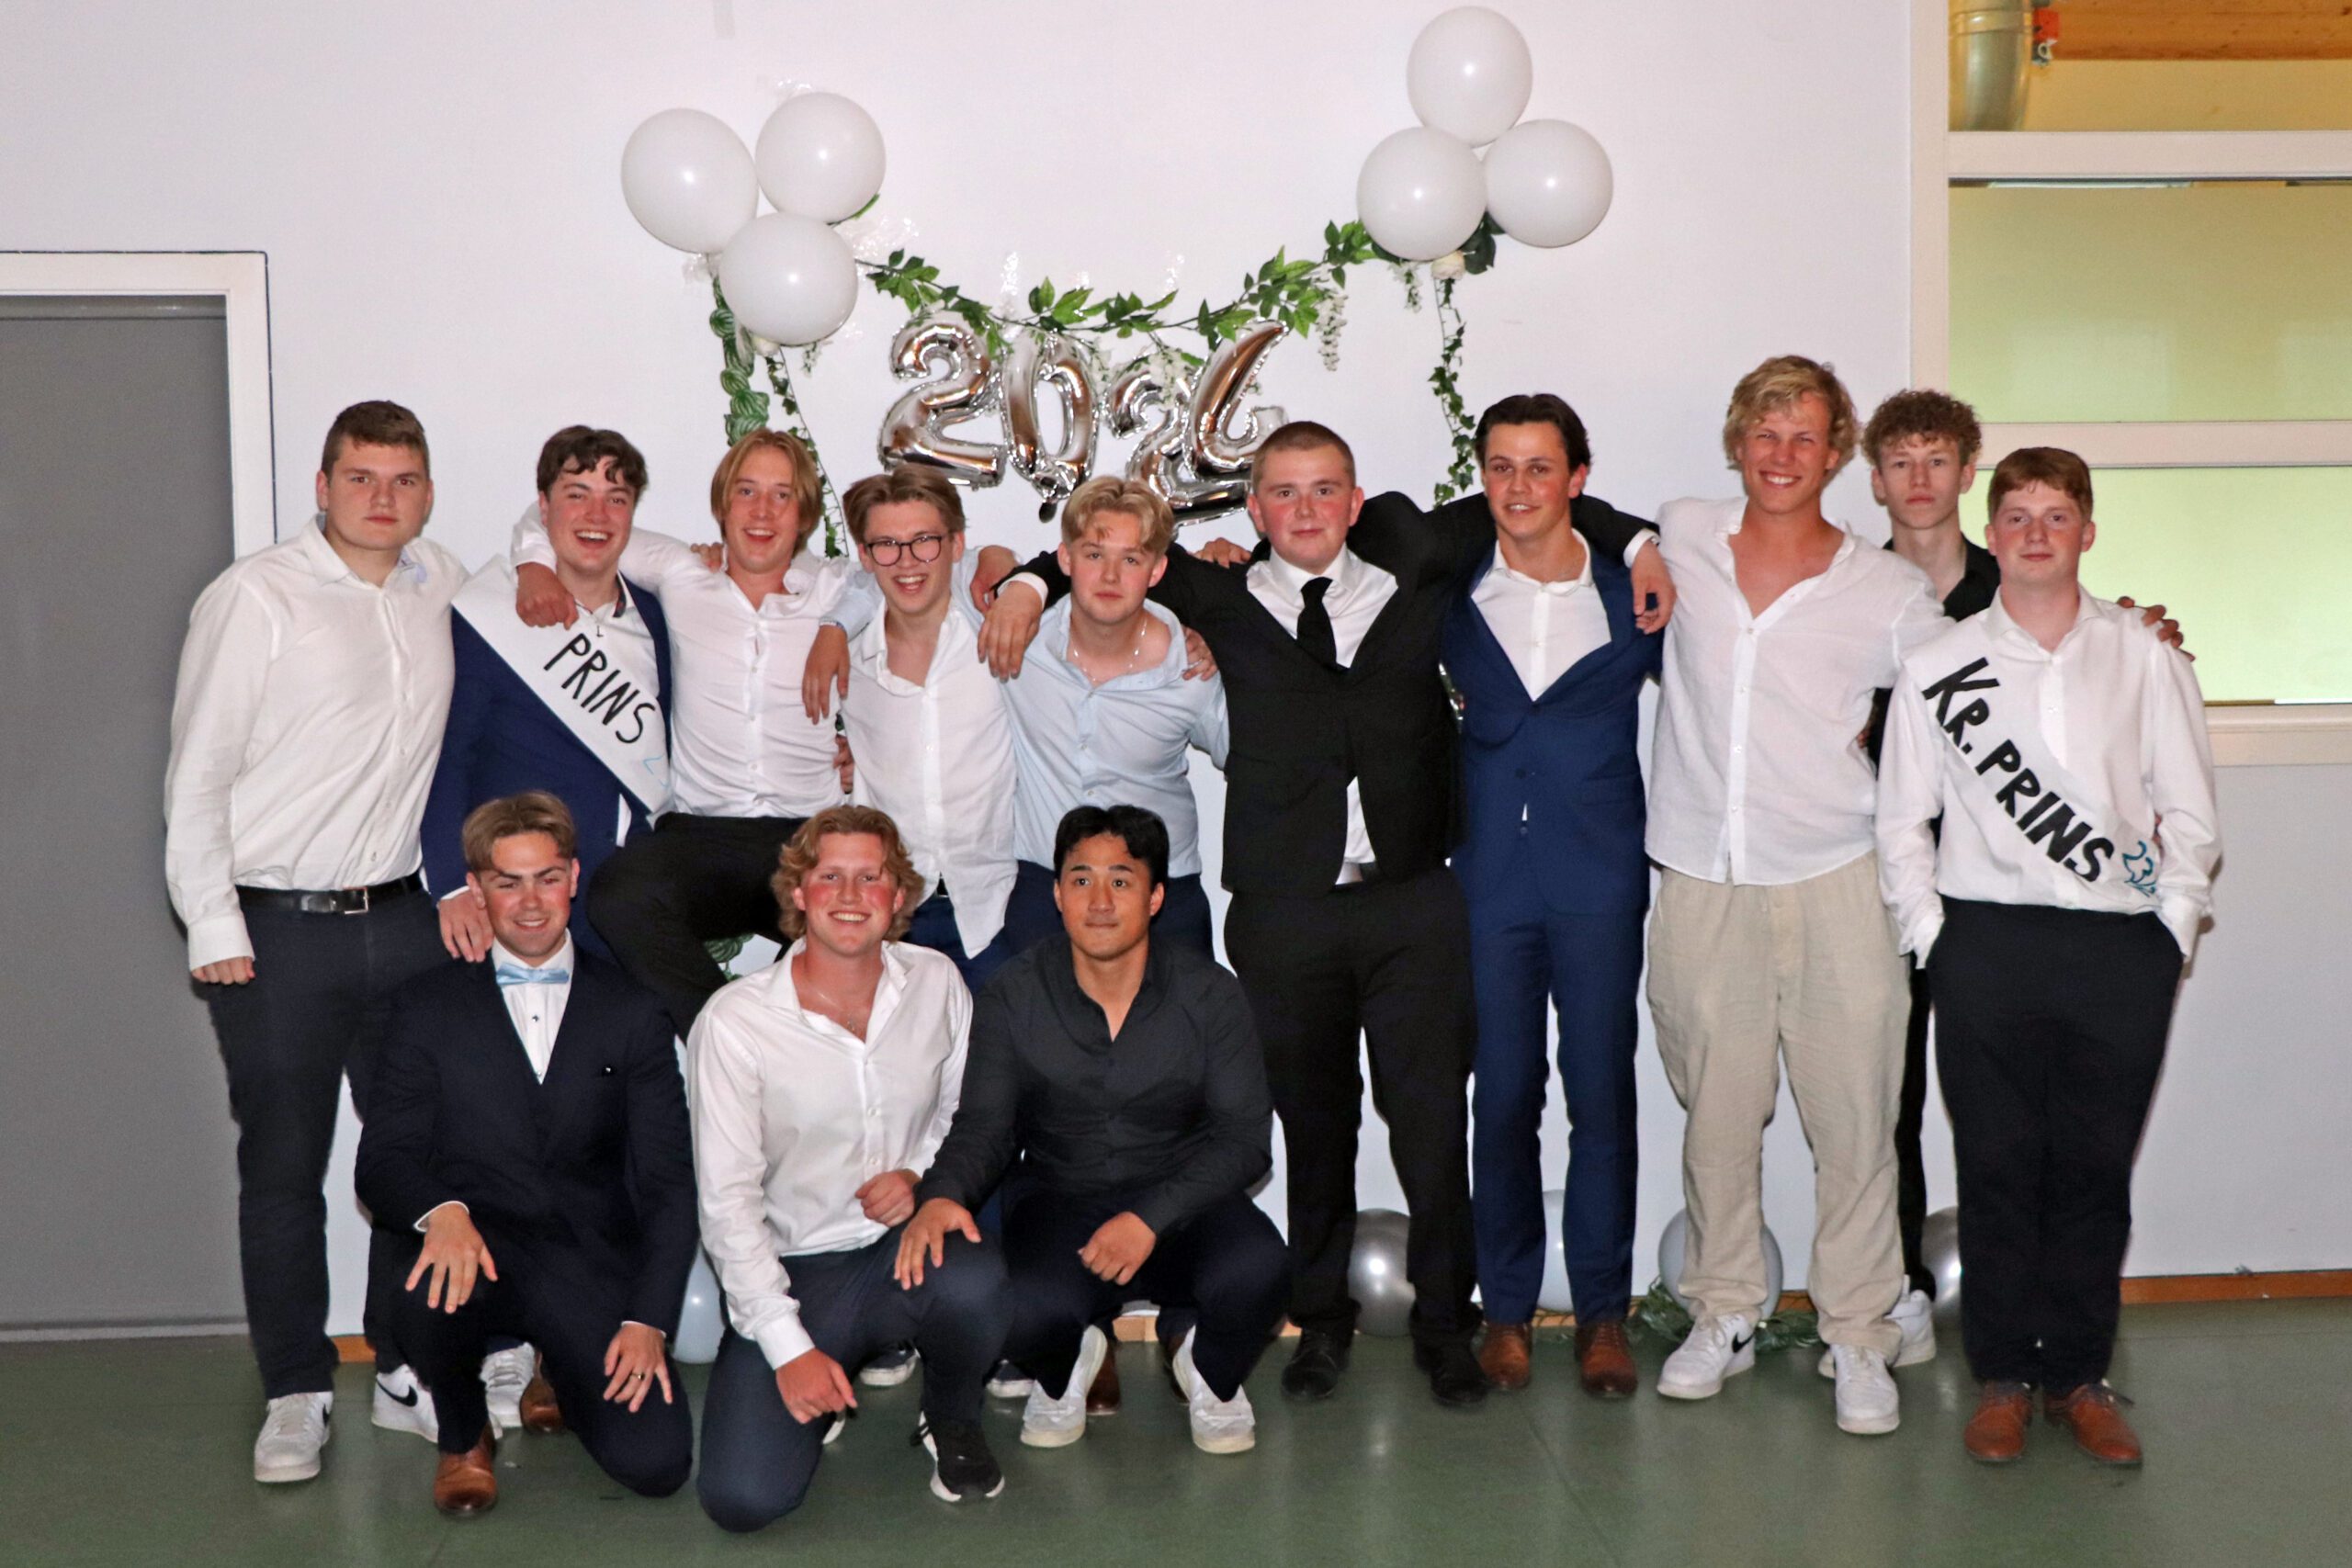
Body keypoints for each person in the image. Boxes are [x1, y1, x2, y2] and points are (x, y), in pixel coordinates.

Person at [984, 422, 1668, 1407]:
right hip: (1283, 911)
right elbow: (1102, 557)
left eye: (1323, 490)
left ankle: (1447, 1326)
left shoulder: (1415, 567)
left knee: (1430, 1127)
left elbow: (1541, 497)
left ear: (1355, 502)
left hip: (1412, 903)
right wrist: (1021, 581)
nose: (1304, 509)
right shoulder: (1214, 597)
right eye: (1283, 492)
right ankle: (1320, 1324)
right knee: (1312, 1127)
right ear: (1252, 508)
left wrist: (1639, 542)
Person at [1878, 447, 2218, 1467]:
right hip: (1986, 944)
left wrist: (2168, 929)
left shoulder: (2145, 656)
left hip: (2118, 949)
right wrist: (1933, 938)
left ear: (2087, 531)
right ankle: (2000, 1379)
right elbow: (1902, 823)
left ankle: (2077, 1376)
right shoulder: (1938, 667)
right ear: (1990, 534)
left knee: (2092, 1170)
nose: (2035, 533)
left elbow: (2189, 813)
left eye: (2056, 515)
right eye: (2017, 517)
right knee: (1994, 1166)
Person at [1644, 356, 1945, 1436]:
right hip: (1701, 876)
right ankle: (1724, 1308)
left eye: (1804, 437)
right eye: (1764, 434)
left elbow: (1982, 679)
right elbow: (1594, 526)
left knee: (1856, 1118)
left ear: (1833, 456)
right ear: (1739, 444)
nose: (1781, 455)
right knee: (1716, 1116)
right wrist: (1633, 549)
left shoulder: (1886, 591)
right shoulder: (1683, 532)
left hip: (1836, 879)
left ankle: (1858, 1330)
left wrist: (2118, 631)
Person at [165, 399, 463, 1483]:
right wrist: (212, 921)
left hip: (406, 921)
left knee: (413, 1159)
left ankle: (401, 1366)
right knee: (285, 1169)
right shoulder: (256, 596)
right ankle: (295, 1390)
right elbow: (197, 771)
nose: (383, 498)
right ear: (324, 486)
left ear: (426, 494)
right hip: (276, 933)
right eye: (361, 478)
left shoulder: (440, 583)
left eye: (404, 479)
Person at [899, 805, 1285, 1454]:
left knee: (1261, 1270)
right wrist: (939, 1194)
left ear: (1156, 898)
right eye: (1081, 880)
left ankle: (1207, 1368)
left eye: (1121, 881)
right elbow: (985, 1127)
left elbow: (1246, 1141)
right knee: (1011, 1302)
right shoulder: (1013, 993)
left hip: (1182, 1205)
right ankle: (1070, 1359)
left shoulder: (1210, 992)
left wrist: (1149, 1218)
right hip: (1061, 1199)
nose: (1100, 901)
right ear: (1056, 894)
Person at [355, 794, 696, 1516]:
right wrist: (442, 1211)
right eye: (507, 882)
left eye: (546, 878)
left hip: (586, 1260)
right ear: (476, 890)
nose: (531, 902)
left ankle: (559, 1366)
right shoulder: (424, 1006)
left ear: (573, 877)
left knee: (657, 1464)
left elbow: (669, 1181)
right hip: (474, 1250)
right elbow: (382, 1159)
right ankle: (463, 1431)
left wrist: (648, 1319)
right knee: (423, 1280)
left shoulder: (633, 1008)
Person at [690, 807, 1010, 1529]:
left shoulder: (937, 981)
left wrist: (921, 1176)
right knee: (744, 1499)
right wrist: (789, 1348)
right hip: (796, 1272)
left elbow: (967, 1113)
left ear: (898, 897)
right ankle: (824, 1373)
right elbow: (726, 1204)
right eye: (829, 876)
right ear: (798, 892)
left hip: (905, 1249)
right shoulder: (735, 1021)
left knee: (978, 1282)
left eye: (871, 877)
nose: (849, 895)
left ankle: (950, 1414)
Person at [1438, 395, 1662, 1397]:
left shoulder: (1636, 592)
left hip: (1600, 878)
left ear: (1578, 478)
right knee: (1502, 1096)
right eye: (1500, 466)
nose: (1518, 486)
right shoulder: (1448, 588)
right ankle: (1507, 1311)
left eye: (1540, 467)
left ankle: (1604, 1314)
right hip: (1488, 879)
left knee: (1601, 1092)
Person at [511, 428, 856, 1038]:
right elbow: (567, 521)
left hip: (811, 836)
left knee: (875, 919)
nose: (762, 511)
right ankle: (727, 1037)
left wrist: (837, 624)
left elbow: (912, 571)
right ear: (722, 503)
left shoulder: (834, 588)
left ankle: (805, 1055)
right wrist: (535, 567)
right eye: (746, 491)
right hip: (704, 834)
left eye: (781, 496)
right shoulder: (681, 572)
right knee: (619, 896)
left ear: (804, 515)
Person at [424, 426, 672, 969]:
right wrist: (450, 884)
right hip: (519, 898)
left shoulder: (657, 615)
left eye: (616, 499)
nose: (597, 515)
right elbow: (450, 756)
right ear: (543, 506)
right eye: (577, 495)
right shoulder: (489, 616)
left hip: (623, 898)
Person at [989, 477, 1227, 957]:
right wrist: (1007, 573)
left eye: (1131, 559)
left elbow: (1253, 756)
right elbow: (928, 573)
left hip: (1163, 896)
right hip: (1045, 889)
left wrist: (1230, 643)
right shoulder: (1019, 643)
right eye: (1095, 555)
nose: (1111, 576)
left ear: (1157, 570)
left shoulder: (1192, 669)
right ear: (1065, 560)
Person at [835, 468, 1023, 990]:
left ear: (957, 544)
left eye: (924, 540)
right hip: (890, 917)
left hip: (995, 908)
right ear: (865, 555)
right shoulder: (845, 656)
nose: (908, 561)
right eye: (887, 545)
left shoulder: (999, 633)